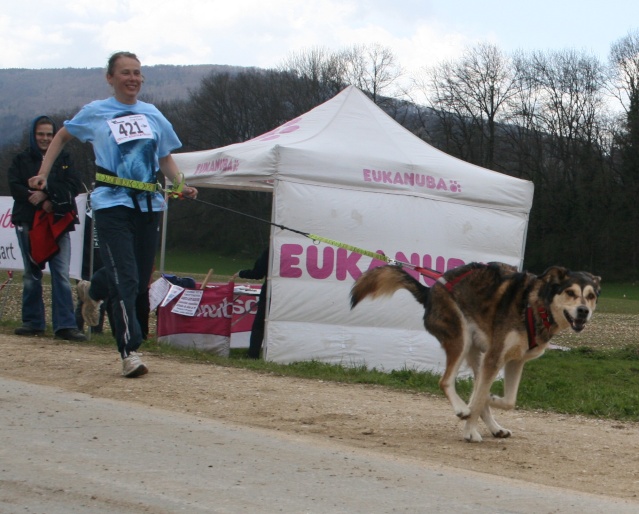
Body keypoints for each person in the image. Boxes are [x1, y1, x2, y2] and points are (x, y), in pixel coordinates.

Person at [29, 52, 198, 378]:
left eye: (137, 73)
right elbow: (63, 135)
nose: (132, 78)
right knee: (126, 278)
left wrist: (181, 185)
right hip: (111, 205)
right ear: (111, 78)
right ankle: (129, 350)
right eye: (125, 73)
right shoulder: (96, 112)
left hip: (148, 206)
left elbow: (165, 158)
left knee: (136, 278)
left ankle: (91, 290)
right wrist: (43, 173)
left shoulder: (152, 115)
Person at [7, 115, 87, 342]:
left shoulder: (65, 158)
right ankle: (32, 322)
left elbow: (73, 184)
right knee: (32, 275)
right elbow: (15, 186)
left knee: (61, 274)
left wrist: (47, 193)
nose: (45, 139)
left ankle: (65, 326)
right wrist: (40, 201)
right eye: (40, 134)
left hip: (58, 223)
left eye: (49, 135)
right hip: (28, 223)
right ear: (33, 135)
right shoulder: (21, 159)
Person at [233, 247, 269, 359]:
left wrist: (241, 273)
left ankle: (253, 355)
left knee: (259, 325)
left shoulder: (270, 250)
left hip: (270, 292)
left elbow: (258, 273)